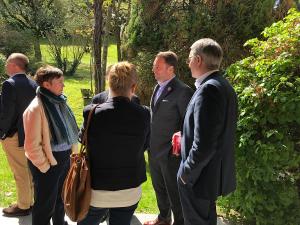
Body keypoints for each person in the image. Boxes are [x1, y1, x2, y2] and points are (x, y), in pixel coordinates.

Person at [78, 61, 150, 225]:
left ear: (109, 85)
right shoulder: (144, 113)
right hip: (129, 188)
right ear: (133, 87)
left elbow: (83, 140)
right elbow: (145, 144)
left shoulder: (92, 112)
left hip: (97, 189)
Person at [177, 38, 238, 225]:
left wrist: (186, 173)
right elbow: (212, 131)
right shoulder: (222, 85)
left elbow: (205, 143)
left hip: (198, 178)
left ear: (198, 60)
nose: (187, 63)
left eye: (189, 58)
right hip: (206, 176)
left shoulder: (209, 89)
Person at [23, 65, 79, 225]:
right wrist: (46, 167)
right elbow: (31, 146)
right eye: (59, 82)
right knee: (45, 204)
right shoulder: (35, 108)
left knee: (61, 197)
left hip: (64, 157)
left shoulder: (60, 101)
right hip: (48, 162)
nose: (63, 85)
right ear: (46, 85)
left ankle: (60, 222)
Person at [144, 51, 193, 225]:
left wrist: (177, 150)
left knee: (175, 193)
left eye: (157, 67)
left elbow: (188, 125)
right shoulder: (158, 87)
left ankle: (180, 221)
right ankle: (164, 217)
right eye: (153, 66)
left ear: (170, 69)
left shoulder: (183, 91)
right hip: (154, 151)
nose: (153, 69)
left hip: (171, 155)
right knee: (159, 189)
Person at [0, 53, 36, 217]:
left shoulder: (9, 84)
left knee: (20, 171)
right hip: (31, 133)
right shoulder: (33, 82)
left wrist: (2, 133)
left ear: (15, 65)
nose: (5, 66)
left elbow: (7, 113)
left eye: (7, 63)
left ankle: (23, 206)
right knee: (29, 170)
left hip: (14, 135)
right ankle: (31, 201)